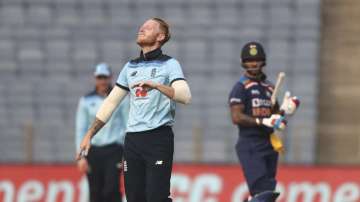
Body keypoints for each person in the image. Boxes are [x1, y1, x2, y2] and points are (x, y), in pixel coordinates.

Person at [76, 17, 191, 202]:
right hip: (133, 141)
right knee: (135, 198)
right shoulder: (130, 67)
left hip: (158, 138)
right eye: (141, 26)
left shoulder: (170, 64)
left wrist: (156, 86)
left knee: (156, 198)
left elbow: (185, 96)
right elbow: (110, 103)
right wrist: (89, 134)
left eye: (148, 27)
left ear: (160, 36)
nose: (141, 29)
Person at [228, 42, 299, 202]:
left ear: (263, 61)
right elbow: (236, 117)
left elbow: (275, 120)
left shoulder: (269, 88)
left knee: (267, 192)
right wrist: (263, 121)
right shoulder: (241, 87)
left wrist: (285, 111)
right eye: (249, 60)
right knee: (263, 193)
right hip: (250, 144)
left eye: (257, 59)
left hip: (269, 144)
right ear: (243, 62)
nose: (253, 63)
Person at [76, 63, 129, 202]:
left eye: (105, 77)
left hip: (114, 149)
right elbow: (81, 129)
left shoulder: (120, 98)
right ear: (95, 78)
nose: (103, 81)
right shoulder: (86, 101)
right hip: (93, 150)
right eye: (100, 77)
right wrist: (81, 155)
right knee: (95, 191)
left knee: (111, 188)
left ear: (110, 78)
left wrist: (127, 151)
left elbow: (127, 124)